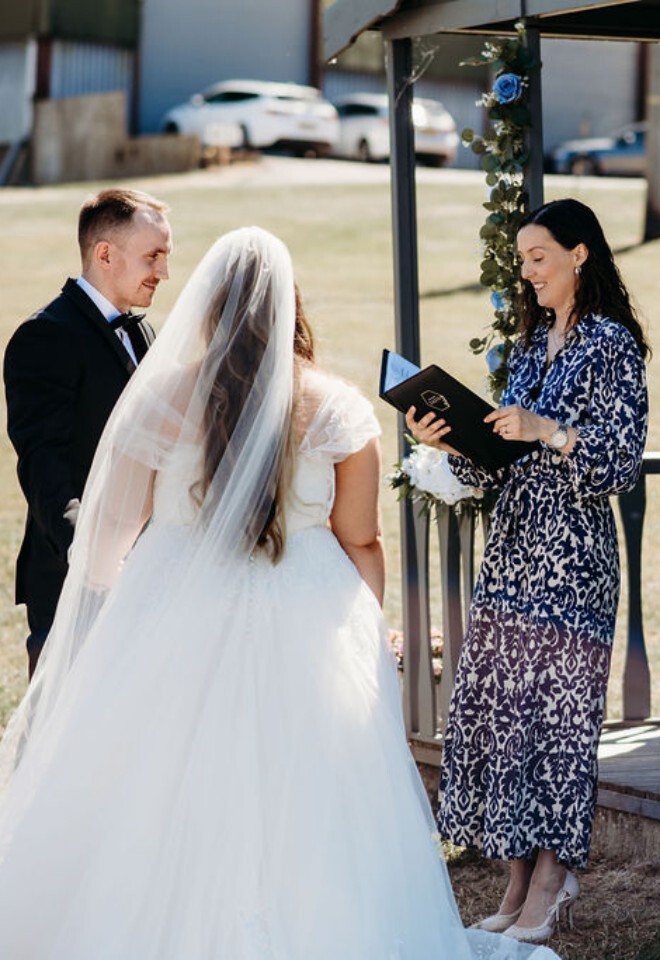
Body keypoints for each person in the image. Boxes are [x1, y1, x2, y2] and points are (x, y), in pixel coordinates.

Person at [0, 227, 557, 960]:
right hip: (307, 617)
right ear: (292, 307)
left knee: (161, 794)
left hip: (175, 615)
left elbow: (105, 547)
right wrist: (362, 630)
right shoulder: (337, 409)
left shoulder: (158, 398)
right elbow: (360, 539)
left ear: (210, 309)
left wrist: (129, 604)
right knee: (310, 805)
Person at [406, 198, 649, 944]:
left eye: (539, 256)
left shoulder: (612, 345)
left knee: (559, 719)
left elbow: (620, 460)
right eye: (523, 260)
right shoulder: (528, 344)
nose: (529, 271)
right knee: (507, 718)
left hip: (572, 562)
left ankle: (553, 879)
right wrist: (453, 444)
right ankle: (515, 881)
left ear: (580, 254)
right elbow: (497, 466)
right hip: (511, 557)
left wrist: (551, 431)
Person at [3, 187, 172, 676]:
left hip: (144, 568)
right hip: (71, 578)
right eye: (153, 256)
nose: (163, 272)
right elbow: (42, 460)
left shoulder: (142, 331)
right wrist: (88, 551)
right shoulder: (44, 337)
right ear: (105, 255)